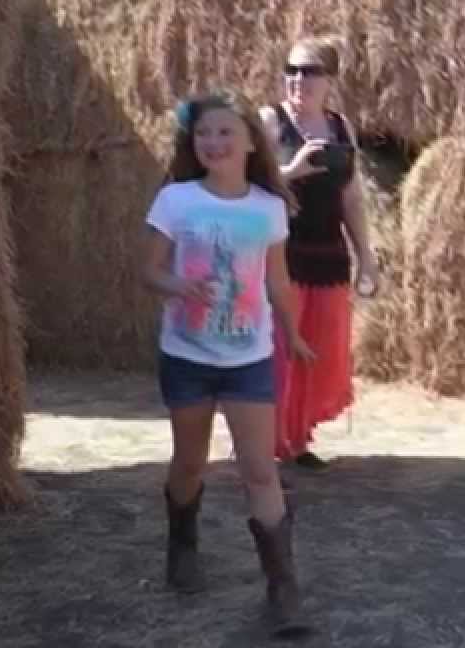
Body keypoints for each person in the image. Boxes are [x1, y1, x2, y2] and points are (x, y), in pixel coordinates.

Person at [143, 90, 314, 634]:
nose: (213, 142)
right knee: (190, 465)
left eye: (224, 132)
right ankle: (182, 543)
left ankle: (283, 591)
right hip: (187, 356)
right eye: (203, 135)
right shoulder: (175, 200)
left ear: (248, 141)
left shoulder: (268, 208)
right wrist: (177, 284)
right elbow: (148, 272)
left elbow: (278, 281)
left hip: (249, 358)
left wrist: (293, 334)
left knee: (260, 470)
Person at [260, 36, 381, 470]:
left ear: (329, 79)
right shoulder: (269, 123)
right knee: (277, 350)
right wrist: (292, 171)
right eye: (291, 70)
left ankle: (297, 437)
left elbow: (351, 195)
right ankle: (263, 439)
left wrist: (365, 252)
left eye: (309, 71)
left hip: (328, 254)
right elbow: (246, 186)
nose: (298, 79)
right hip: (281, 254)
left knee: (319, 349)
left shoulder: (340, 127)